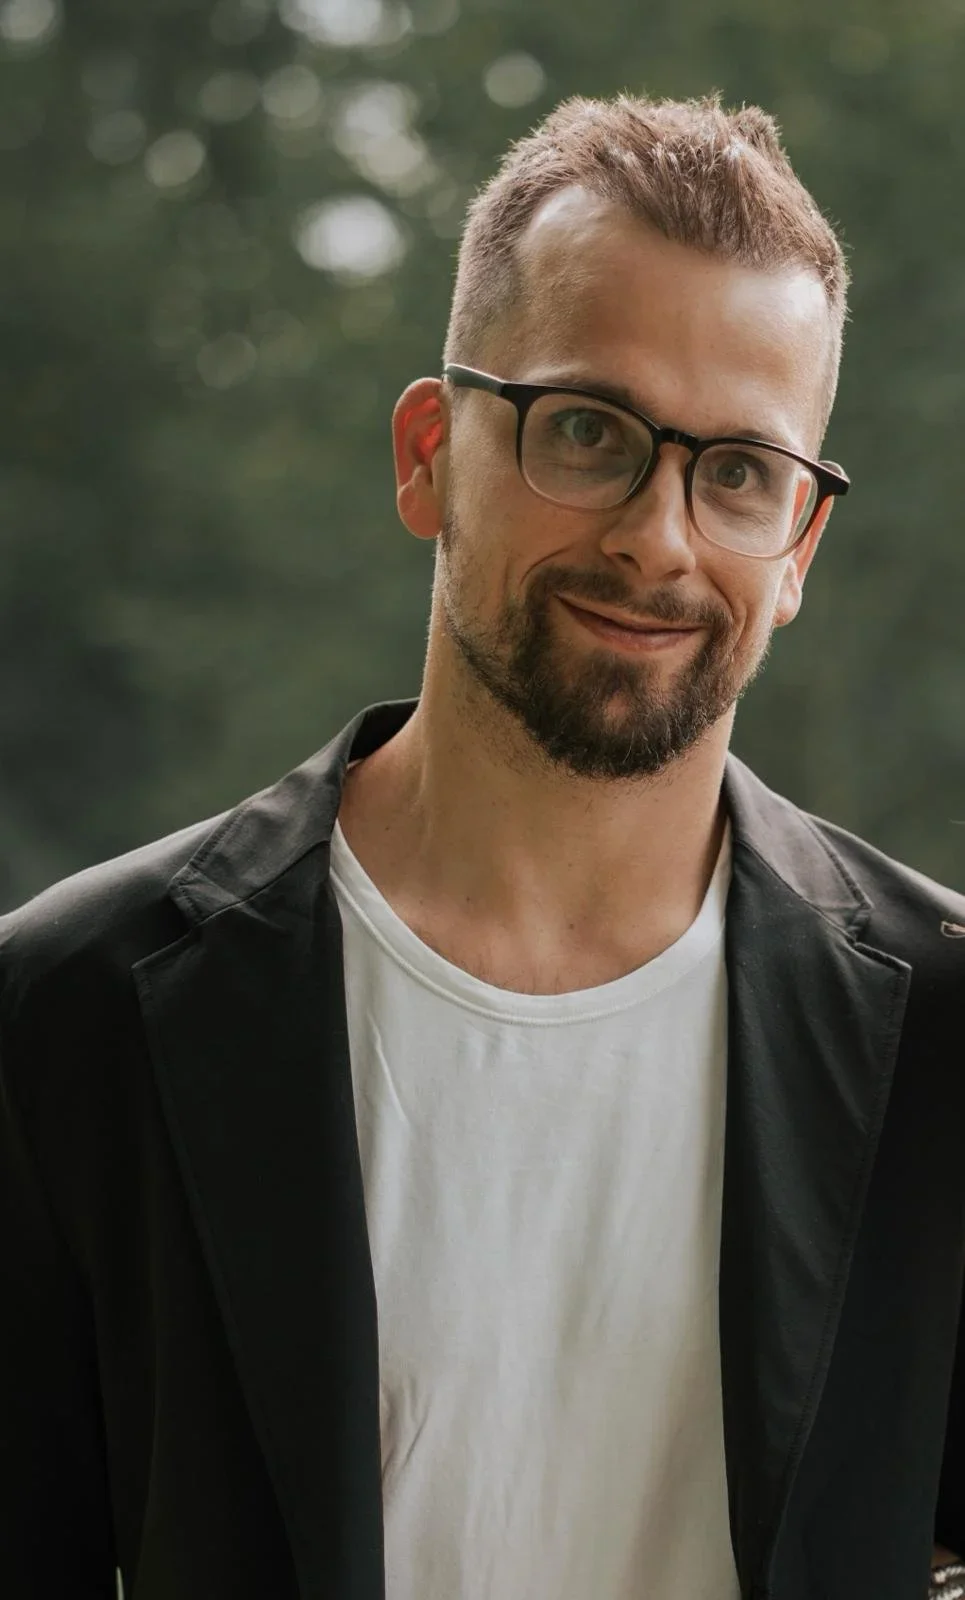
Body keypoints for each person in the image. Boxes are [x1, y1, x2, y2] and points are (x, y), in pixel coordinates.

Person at [1, 92, 964, 1600]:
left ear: (798, 553)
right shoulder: (66, 1015)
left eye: (738, 473)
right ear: (428, 454)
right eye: (589, 431)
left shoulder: (950, 1042)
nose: (660, 535)